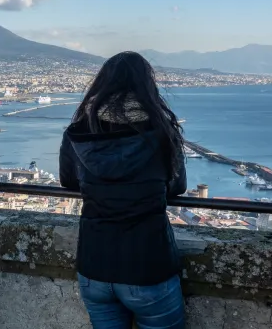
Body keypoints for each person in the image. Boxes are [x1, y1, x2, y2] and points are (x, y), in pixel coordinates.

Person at [59, 52, 187, 329]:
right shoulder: (162, 132)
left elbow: (68, 181)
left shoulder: (79, 132)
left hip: (94, 264)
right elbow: (178, 186)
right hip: (148, 264)